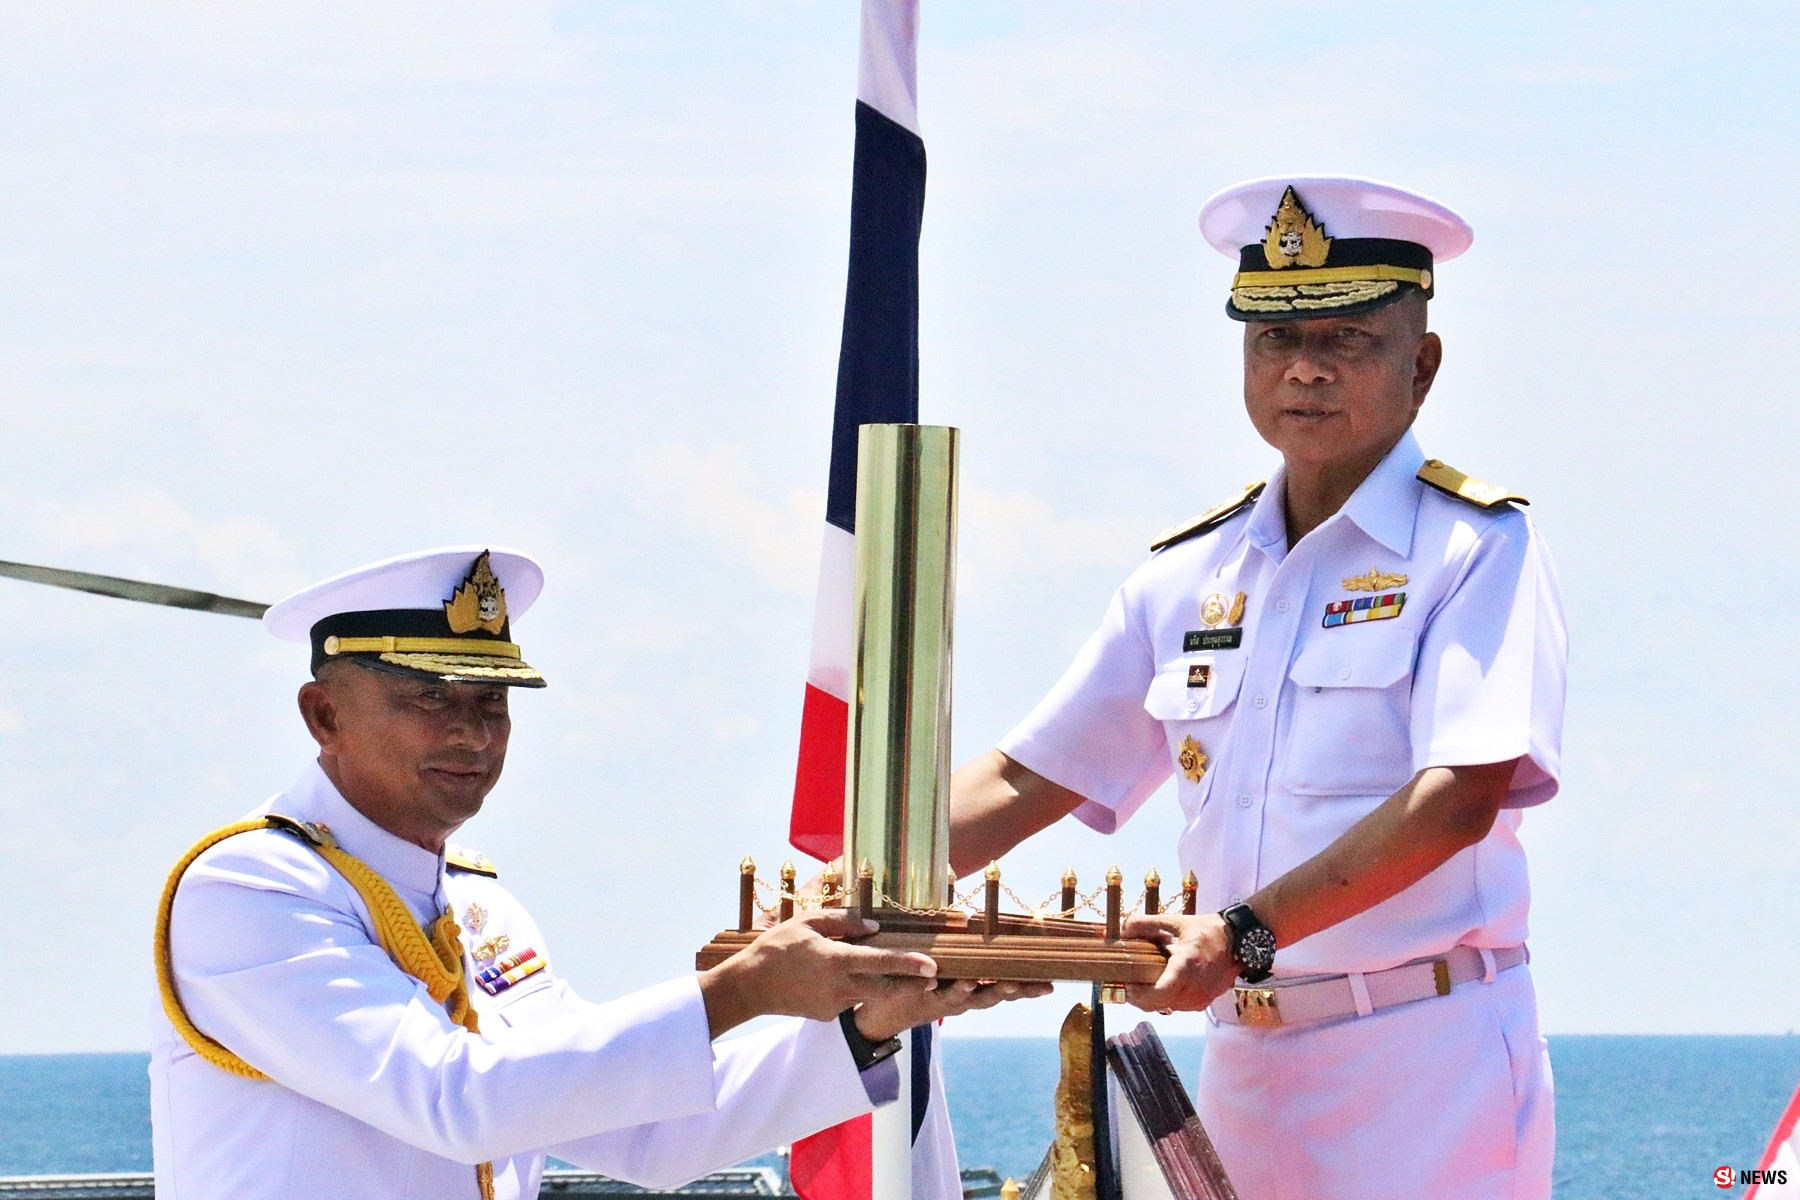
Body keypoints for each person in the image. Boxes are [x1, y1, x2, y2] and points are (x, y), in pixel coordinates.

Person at [948, 176, 1566, 1200]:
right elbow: (1028, 775)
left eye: (1349, 341)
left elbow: (1457, 798)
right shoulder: (1187, 574)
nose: (1307, 372)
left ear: (1422, 365)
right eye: (1275, 341)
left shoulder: (1475, 548)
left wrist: (1241, 937)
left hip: (1424, 1059)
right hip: (1246, 1056)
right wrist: (856, 879)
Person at [151, 545, 1046, 1200]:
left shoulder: (479, 906)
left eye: (490, 701)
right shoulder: (252, 891)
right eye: (430, 698)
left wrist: (870, 1020)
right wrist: (744, 989)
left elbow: (652, 1134)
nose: (471, 734)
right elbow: (454, 1102)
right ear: (322, 715)